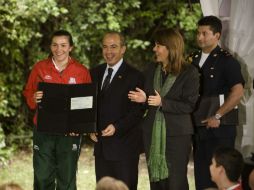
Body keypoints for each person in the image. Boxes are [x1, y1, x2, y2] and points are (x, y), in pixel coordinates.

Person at [128, 28, 199, 190]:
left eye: (158, 45)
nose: (154, 49)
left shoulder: (190, 72)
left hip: (177, 136)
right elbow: (148, 100)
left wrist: (163, 102)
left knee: (176, 181)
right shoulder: (152, 69)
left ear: (170, 47)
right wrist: (143, 99)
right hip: (152, 132)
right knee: (156, 180)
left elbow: (189, 105)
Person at [23, 30, 91, 190]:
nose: (58, 49)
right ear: (50, 46)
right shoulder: (40, 68)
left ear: (71, 47)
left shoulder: (81, 71)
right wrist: (33, 98)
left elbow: (87, 104)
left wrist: (80, 127)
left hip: (70, 133)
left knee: (67, 179)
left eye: (63, 45)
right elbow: (28, 92)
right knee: (42, 177)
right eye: (55, 45)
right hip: (43, 131)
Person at [189, 16, 245, 190]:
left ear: (217, 35)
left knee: (221, 177)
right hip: (198, 128)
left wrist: (218, 115)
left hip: (220, 128)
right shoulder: (192, 59)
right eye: (198, 33)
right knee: (202, 176)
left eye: (205, 33)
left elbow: (237, 93)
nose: (200, 37)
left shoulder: (228, 61)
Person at [89, 31, 144, 190]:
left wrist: (117, 127)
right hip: (101, 149)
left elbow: (137, 112)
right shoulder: (94, 73)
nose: (108, 51)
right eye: (105, 47)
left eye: (113, 47)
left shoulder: (135, 76)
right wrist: (89, 128)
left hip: (125, 149)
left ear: (123, 49)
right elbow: (89, 105)